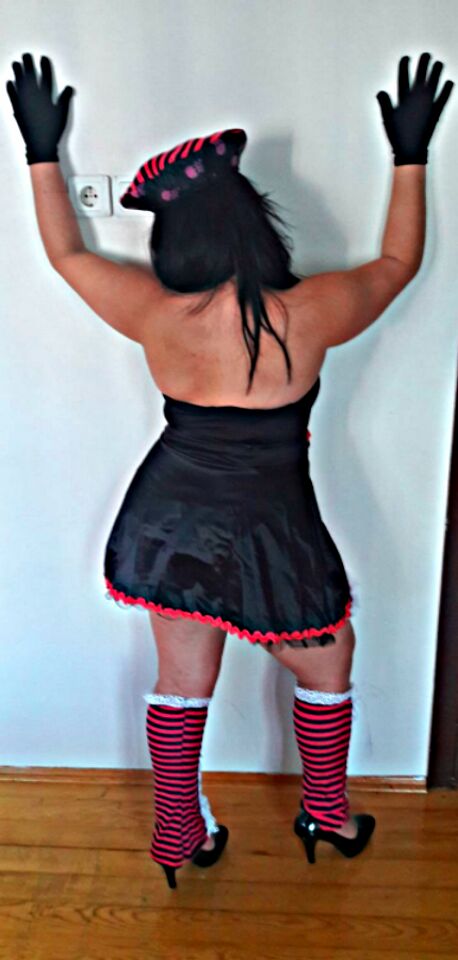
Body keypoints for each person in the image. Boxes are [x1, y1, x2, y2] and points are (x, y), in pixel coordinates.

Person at [6, 51, 454, 889]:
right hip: (272, 528)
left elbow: (66, 257)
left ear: (176, 239)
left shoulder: (156, 313)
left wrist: (39, 150)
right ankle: (325, 815)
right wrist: (410, 154)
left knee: (182, 681)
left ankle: (179, 834)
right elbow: (397, 266)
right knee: (327, 663)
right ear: (253, 224)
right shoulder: (307, 313)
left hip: (168, 520)